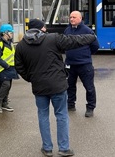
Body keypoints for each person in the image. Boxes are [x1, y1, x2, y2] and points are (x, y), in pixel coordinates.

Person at [15, 18, 97, 157]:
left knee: (43, 116)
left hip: (39, 86)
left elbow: (19, 67)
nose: (46, 29)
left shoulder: (21, 45)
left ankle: (47, 148)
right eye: (44, 27)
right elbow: (74, 41)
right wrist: (91, 36)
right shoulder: (53, 39)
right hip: (57, 84)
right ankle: (64, 148)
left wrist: (31, 78)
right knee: (61, 115)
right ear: (41, 28)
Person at [64, 11, 99, 117]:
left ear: (80, 18)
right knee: (69, 86)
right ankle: (70, 105)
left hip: (84, 64)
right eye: (70, 17)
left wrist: (85, 55)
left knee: (89, 87)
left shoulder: (87, 31)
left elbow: (95, 46)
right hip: (70, 64)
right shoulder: (67, 30)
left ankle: (90, 108)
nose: (71, 19)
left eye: (74, 17)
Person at [0, 24, 19, 113]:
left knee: (8, 86)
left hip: (11, 68)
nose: (12, 34)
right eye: (10, 32)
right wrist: (6, 65)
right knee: (5, 85)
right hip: (3, 69)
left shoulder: (10, 43)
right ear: (5, 33)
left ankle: (4, 102)